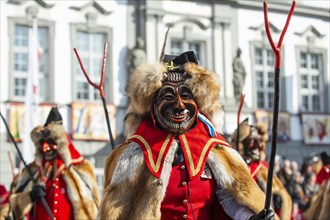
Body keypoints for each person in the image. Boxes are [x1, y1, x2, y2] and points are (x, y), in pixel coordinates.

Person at [99, 51, 275, 219]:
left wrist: (251, 216)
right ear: (153, 106)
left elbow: (229, 200)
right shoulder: (133, 154)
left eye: (186, 96)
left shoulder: (214, 148)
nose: (179, 105)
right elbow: (116, 212)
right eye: (168, 96)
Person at [9, 107, 100, 220]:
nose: (45, 148)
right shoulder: (32, 171)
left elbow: (93, 208)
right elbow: (14, 208)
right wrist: (30, 196)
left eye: (50, 142)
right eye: (42, 143)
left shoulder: (80, 168)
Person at [231, 118, 292, 220]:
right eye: (252, 141)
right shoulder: (234, 164)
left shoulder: (263, 167)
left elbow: (282, 193)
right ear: (241, 143)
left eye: (259, 141)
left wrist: (278, 198)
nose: (257, 145)